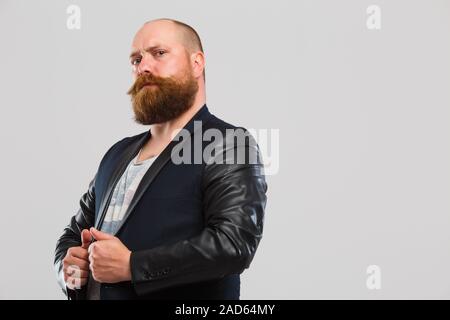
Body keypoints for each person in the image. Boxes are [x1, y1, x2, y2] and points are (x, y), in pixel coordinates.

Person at [54, 18, 268, 300]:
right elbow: (73, 233)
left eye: (159, 53)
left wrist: (133, 266)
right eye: (136, 59)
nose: (143, 66)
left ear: (197, 63)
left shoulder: (227, 143)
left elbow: (234, 245)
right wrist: (67, 268)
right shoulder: (117, 154)